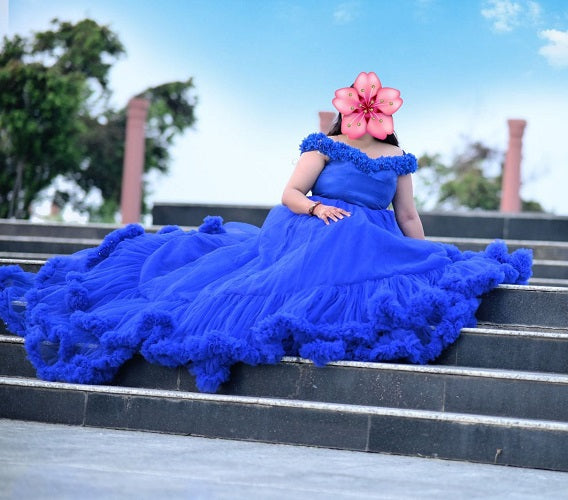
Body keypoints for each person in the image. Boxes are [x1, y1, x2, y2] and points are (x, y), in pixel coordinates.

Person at [0, 72, 532, 393]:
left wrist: (427, 258)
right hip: (306, 225)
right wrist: (318, 209)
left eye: (374, 108)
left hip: (369, 236)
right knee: (332, 240)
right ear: (348, 112)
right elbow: (289, 195)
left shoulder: (399, 160)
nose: (366, 115)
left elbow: (409, 217)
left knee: (379, 248)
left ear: (385, 115)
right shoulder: (320, 146)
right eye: (359, 107)